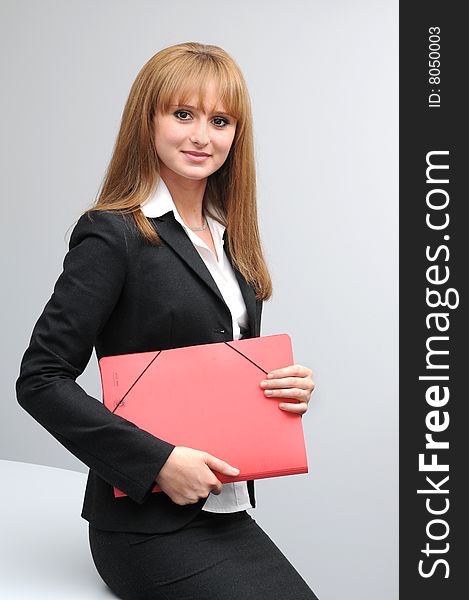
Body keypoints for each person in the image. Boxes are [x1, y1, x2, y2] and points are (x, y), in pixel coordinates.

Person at [16, 42, 318, 599]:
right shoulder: (112, 233)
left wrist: (284, 388)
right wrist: (157, 462)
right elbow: (40, 379)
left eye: (220, 120)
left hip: (225, 509)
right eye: (183, 114)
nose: (202, 136)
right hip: (143, 527)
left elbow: (213, 366)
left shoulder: (231, 240)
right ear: (147, 120)